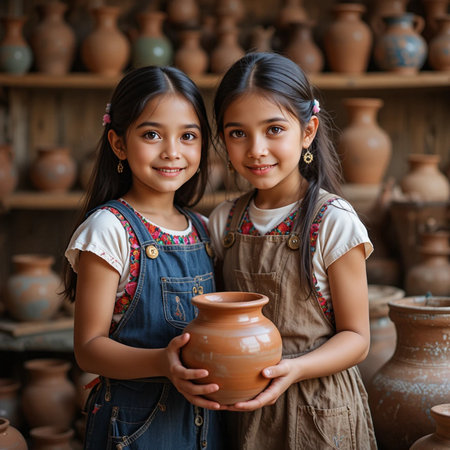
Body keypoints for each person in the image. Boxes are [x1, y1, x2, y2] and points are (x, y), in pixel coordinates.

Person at [209, 52, 377, 449]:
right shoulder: (224, 221)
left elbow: (357, 337)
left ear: (307, 131)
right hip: (241, 411)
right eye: (237, 133)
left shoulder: (333, 221)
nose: (256, 149)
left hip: (318, 409)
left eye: (274, 129)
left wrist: (294, 369)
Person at [63, 66, 226, 450]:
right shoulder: (109, 229)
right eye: (152, 135)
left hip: (208, 426)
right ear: (118, 144)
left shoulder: (204, 228)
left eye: (188, 136)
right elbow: (88, 348)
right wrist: (161, 364)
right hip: (135, 429)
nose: (172, 151)